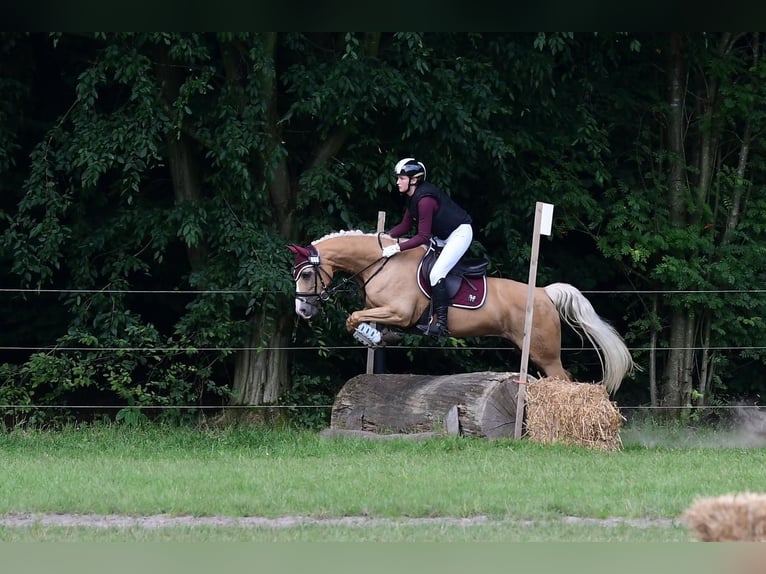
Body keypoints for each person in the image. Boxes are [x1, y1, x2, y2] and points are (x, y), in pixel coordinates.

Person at [381, 157, 473, 337]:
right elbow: (405, 226)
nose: (397, 182)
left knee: (437, 273)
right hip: (442, 236)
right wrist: (383, 237)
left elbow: (422, 237)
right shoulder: (412, 197)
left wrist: (397, 248)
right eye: (398, 178)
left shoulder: (425, 201)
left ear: (414, 180)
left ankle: (442, 325)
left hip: (459, 234)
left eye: (401, 178)